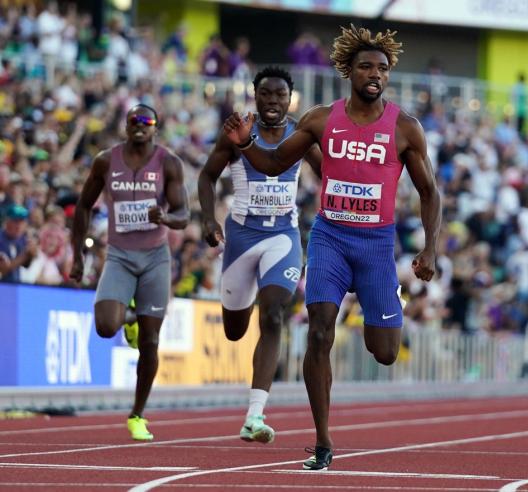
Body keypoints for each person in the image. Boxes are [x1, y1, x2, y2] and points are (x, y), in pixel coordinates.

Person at [222, 24, 441, 470]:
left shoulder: (405, 128)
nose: (374, 74)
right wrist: (245, 144)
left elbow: (430, 192)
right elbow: (273, 162)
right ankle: (323, 441)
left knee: (384, 352)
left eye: (381, 67)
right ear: (349, 72)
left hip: (377, 245)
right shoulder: (322, 119)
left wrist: (430, 248)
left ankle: (380, 308)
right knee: (320, 329)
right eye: (365, 66)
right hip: (330, 238)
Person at [198, 66, 321, 444]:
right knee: (235, 331)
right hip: (241, 239)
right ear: (255, 95)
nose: (272, 101)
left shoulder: (301, 134)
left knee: (274, 315)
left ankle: (254, 415)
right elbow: (206, 176)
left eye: (279, 95)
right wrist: (208, 218)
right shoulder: (238, 131)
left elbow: (330, 174)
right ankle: (246, 296)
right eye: (265, 94)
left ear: (290, 99)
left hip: (282, 237)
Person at [70, 104, 189, 441]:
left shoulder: (168, 162)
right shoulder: (106, 161)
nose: (140, 126)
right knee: (106, 326)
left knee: (150, 342)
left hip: (155, 258)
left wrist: (165, 218)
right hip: (120, 255)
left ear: (156, 128)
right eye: (134, 121)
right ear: (125, 126)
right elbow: (82, 206)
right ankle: (130, 318)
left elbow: (183, 213)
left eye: (147, 121)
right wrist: (77, 255)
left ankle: (137, 414)